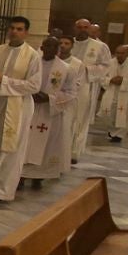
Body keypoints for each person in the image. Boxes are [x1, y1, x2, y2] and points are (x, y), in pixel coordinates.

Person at [0, 17, 43, 205]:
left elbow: (34, 85)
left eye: (19, 29)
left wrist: (4, 81)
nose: (14, 32)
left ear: (26, 32)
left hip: (18, 107)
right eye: (12, 28)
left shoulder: (32, 56)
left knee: (11, 150)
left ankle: (1, 191)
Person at [22, 34, 78, 189]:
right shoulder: (32, 64)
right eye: (47, 45)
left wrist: (49, 98)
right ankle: (20, 176)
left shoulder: (67, 69)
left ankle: (39, 177)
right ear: (42, 47)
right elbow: (23, 82)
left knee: (46, 145)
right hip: (30, 108)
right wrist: (30, 93)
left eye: (54, 46)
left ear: (58, 49)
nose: (50, 49)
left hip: (50, 112)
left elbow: (71, 93)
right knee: (25, 143)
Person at [66, 19, 111, 162]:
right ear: (74, 28)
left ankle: (74, 151)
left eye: (85, 27)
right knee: (66, 118)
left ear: (90, 28)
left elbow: (106, 65)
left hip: (85, 86)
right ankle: (62, 149)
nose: (82, 30)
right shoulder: (68, 43)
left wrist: (86, 70)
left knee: (80, 119)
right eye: (79, 27)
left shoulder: (100, 47)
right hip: (66, 85)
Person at [98, 43, 128, 143]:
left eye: (122, 53)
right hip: (111, 92)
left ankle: (118, 135)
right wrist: (110, 80)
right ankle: (112, 130)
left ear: (127, 54)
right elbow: (101, 76)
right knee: (107, 113)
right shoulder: (110, 63)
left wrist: (123, 81)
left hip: (126, 94)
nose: (119, 55)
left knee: (123, 115)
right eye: (117, 53)